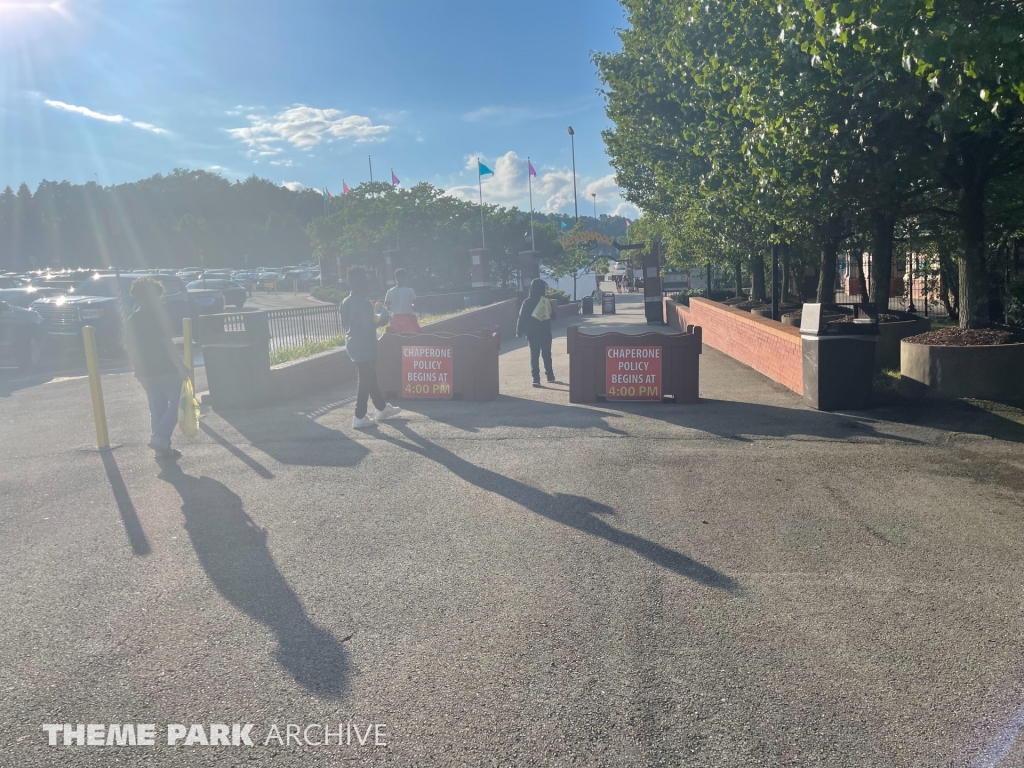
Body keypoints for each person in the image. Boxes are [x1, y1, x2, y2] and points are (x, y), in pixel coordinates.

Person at [124, 277, 191, 459]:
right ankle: (160, 438)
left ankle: (163, 450)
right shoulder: (157, 316)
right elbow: (167, 343)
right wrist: (181, 366)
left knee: (157, 407)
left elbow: (130, 346)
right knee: (178, 401)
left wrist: (137, 369)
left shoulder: (133, 318)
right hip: (164, 367)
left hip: (145, 370)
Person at [340, 265, 401, 429]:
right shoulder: (364, 303)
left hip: (352, 344)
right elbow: (369, 326)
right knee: (365, 380)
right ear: (362, 282)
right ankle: (359, 416)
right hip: (365, 345)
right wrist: (383, 316)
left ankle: (381, 408)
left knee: (369, 377)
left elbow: (345, 324)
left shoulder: (345, 302)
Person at [517, 278, 556, 388]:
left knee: (534, 356)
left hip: (532, 334)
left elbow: (521, 317)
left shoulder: (527, 302)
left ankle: (536, 379)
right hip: (545, 333)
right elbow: (553, 317)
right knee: (547, 355)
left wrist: (519, 332)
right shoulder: (545, 301)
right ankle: (550, 376)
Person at [384, 268, 420, 333]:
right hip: (408, 318)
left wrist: (394, 307)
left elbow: (387, 305)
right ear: (405, 278)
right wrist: (411, 305)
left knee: (397, 339)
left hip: (395, 318)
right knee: (413, 338)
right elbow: (415, 305)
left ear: (396, 278)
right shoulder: (410, 290)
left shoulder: (390, 291)